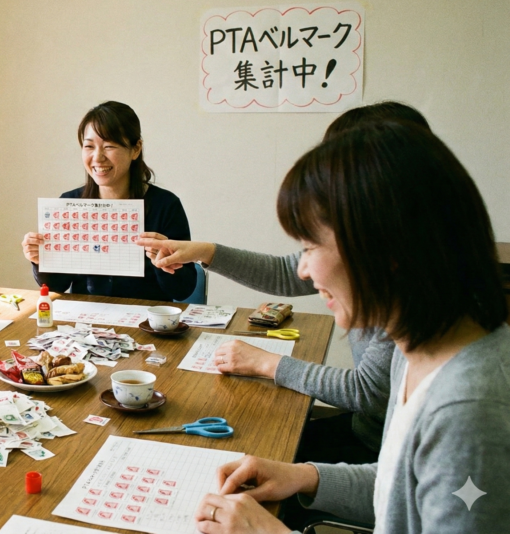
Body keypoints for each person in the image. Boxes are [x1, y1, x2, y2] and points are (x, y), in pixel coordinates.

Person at [192, 121, 509, 533]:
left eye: (310, 247)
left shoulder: (468, 413)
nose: (303, 270)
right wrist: (304, 476)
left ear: (384, 246)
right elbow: (398, 488)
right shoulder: (417, 351)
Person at [135, 101, 431, 466]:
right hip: (372, 434)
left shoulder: (409, 286)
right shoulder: (388, 253)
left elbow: (368, 392)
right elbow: (285, 272)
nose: (305, 268)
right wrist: (205, 251)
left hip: (378, 449)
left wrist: (267, 364)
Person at [21, 101, 197, 301]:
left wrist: (165, 261)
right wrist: (40, 260)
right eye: (89, 146)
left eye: (109, 146)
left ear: (136, 149)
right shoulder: (69, 204)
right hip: (85, 317)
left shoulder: (165, 206)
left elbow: (182, 290)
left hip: (145, 318)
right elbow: (56, 286)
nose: (97, 157)